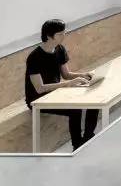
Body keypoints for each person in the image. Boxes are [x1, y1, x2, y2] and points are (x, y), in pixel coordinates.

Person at [24, 19, 99, 151]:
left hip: (56, 92)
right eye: (60, 34)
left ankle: (87, 137)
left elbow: (66, 74)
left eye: (64, 32)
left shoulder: (59, 49)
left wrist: (84, 75)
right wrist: (69, 84)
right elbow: (39, 88)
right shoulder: (34, 57)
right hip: (38, 99)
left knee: (93, 100)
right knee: (75, 109)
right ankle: (77, 145)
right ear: (49, 36)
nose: (64, 35)